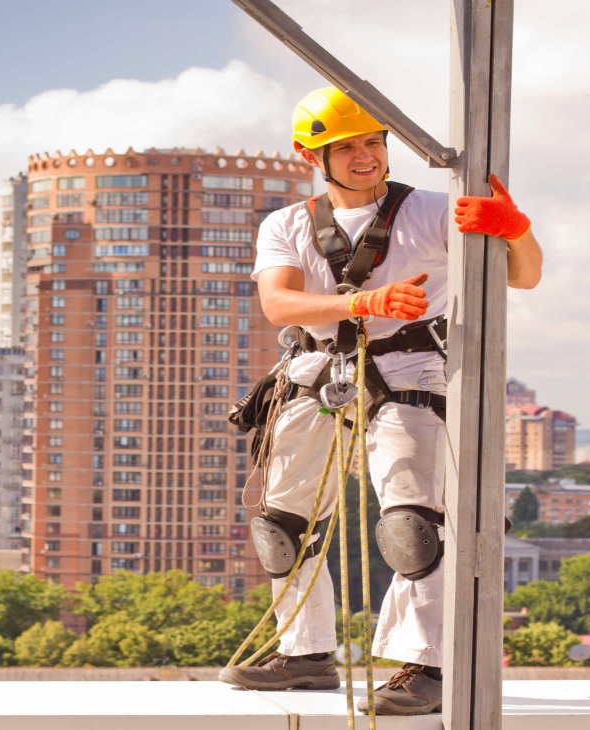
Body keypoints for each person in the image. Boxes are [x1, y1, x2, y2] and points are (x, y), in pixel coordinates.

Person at [218, 87, 543, 716]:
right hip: (317, 370)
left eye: (374, 142)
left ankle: (427, 666)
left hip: (413, 365)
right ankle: (305, 653)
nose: (365, 156)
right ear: (313, 153)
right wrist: (362, 303)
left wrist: (517, 230)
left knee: (413, 525)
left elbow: (523, 274)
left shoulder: (432, 211)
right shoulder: (287, 225)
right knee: (283, 525)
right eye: (347, 147)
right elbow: (279, 304)